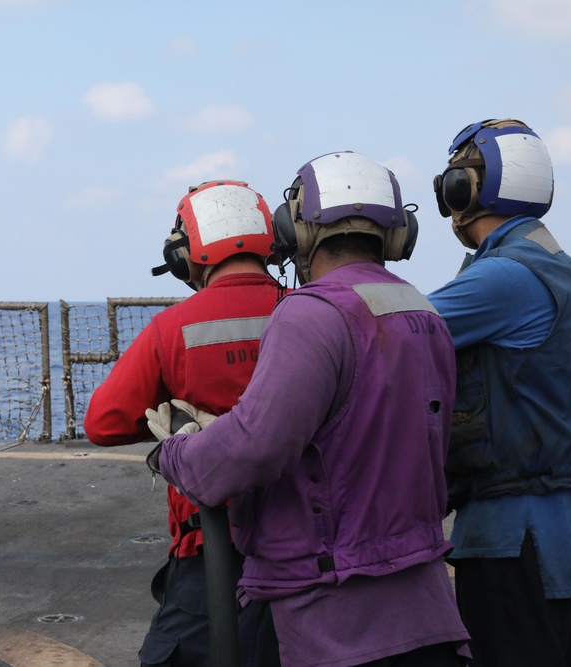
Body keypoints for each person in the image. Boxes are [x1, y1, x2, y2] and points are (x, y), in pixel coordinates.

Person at [154, 152, 472, 666]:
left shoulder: (310, 314)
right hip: (424, 609)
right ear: (397, 233)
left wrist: (176, 452)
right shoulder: (423, 311)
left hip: (328, 614)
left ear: (295, 232)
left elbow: (251, 451)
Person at [83, 180, 285, 666]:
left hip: (211, 548)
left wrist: (172, 419)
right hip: (310, 544)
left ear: (186, 255)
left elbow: (103, 423)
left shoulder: (175, 328)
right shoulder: (311, 309)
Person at [429, 119, 571, 666]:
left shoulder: (504, 280)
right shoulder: (561, 272)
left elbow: (393, 330)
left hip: (515, 542)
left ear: (465, 190)